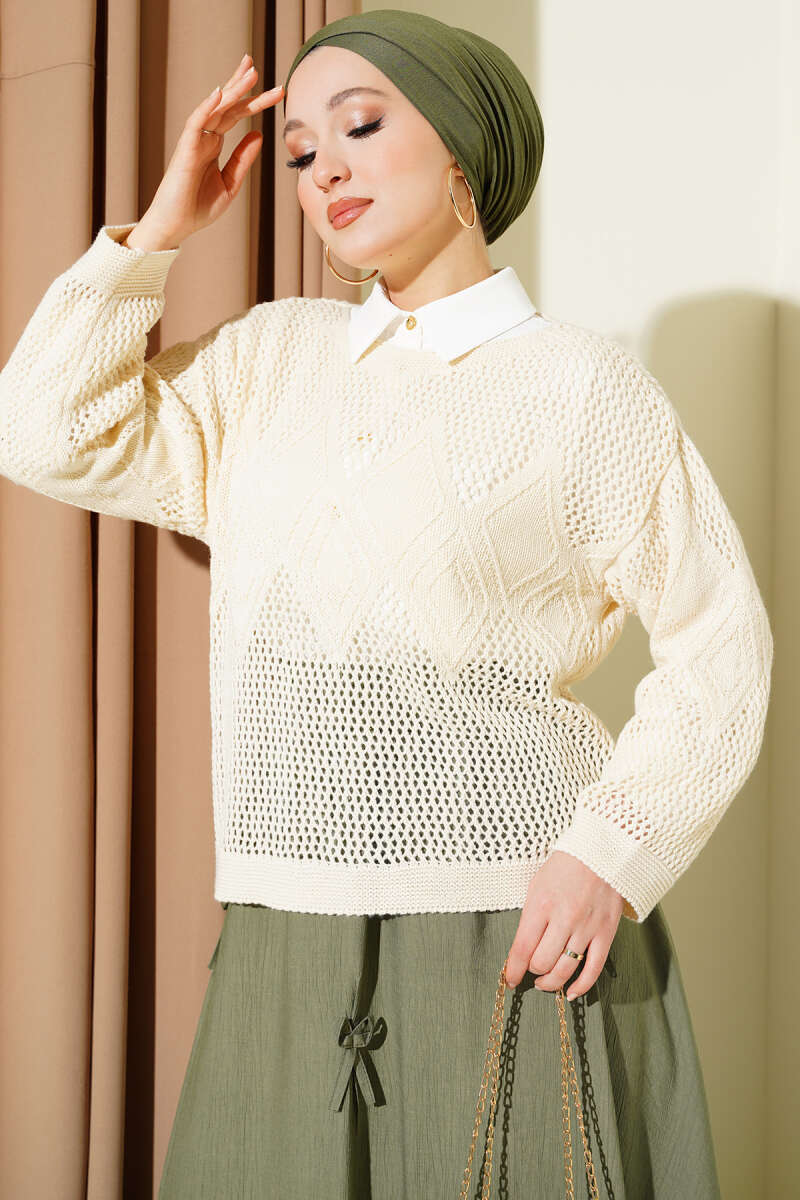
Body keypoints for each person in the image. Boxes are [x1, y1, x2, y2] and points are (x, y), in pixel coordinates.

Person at [0, 10, 772, 1198]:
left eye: (359, 126)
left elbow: (719, 643)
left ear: (461, 150)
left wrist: (609, 857)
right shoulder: (265, 360)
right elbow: (41, 432)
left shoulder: (581, 388)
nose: (324, 170)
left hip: (511, 920)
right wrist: (158, 234)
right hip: (284, 909)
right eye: (300, 151)